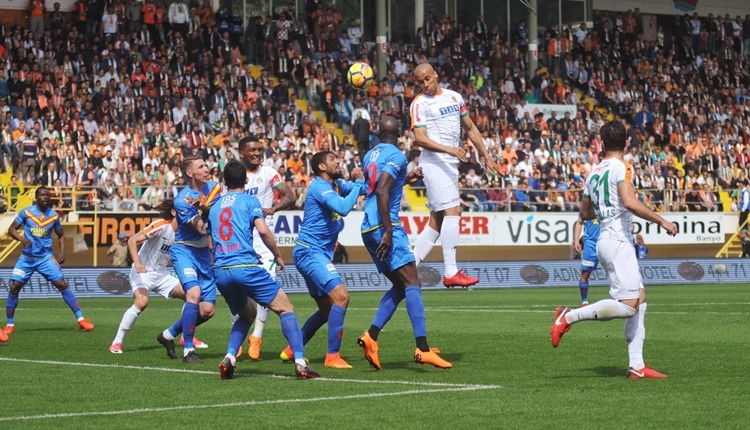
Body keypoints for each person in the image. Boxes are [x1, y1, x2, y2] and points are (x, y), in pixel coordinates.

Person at [550, 120, 677, 379]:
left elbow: (584, 213)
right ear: (627, 142)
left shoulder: (593, 173)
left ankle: (637, 366)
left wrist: (605, 205)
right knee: (630, 305)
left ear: (601, 142)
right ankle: (568, 316)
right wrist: (662, 220)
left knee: (639, 299)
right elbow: (629, 202)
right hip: (618, 241)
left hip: (604, 241)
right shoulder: (623, 167)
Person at [209, 160, 319, 379]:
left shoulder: (215, 206)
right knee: (286, 308)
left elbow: (214, 241)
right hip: (246, 268)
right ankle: (300, 362)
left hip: (221, 270)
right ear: (246, 180)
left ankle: (230, 357)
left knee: (246, 315)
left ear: (223, 182)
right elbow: (263, 230)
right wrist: (277, 255)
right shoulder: (251, 201)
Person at [357, 115, 451, 370]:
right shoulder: (397, 155)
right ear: (399, 135)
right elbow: (383, 191)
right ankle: (422, 349)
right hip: (384, 226)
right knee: (413, 282)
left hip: (367, 226)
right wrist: (388, 230)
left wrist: (405, 179)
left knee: (401, 287)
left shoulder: (369, 155)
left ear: (377, 132)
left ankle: (371, 336)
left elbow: (374, 187)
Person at [409, 62, 499, 288]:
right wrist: (450, 149)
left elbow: (470, 128)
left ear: (436, 75)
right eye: (419, 82)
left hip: (449, 165)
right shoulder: (419, 104)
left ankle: (408, 268)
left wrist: (486, 157)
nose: (424, 84)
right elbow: (419, 138)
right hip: (434, 162)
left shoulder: (454, 97)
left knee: (437, 221)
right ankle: (450, 271)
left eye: (427, 79)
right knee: (454, 211)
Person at [280, 151, 364, 369]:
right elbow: (344, 208)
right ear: (322, 167)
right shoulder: (319, 186)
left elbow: (366, 190)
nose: (339, 160)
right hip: (311, 252)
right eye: (333, 159)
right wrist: (358, 183)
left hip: (312, 252)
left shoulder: (336, 184)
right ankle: (332, 356)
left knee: (327, 310)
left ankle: (291, 350)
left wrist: (400, 181)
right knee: (342, 298)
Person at [109, 199, 206, 354]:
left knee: (192, 296)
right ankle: (117, 342)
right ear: (174, 212)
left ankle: (186, 336)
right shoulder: (161, 225)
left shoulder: (184, 233)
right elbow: (133, 241)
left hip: (162, 274)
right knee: (142, 302)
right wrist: (138, 263)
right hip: (143, 272)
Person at [233, 135, 296, 361]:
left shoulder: (269, 173)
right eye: (253, 150)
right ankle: (237, 337)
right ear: (242, 153)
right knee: (237, 288)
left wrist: (273, 209)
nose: (258, 153)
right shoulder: (234, 176)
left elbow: (291, 195)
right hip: (240, 237)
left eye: (260, 150)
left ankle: (256, 336)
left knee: (266, 288)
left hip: (264, 237)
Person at [4, 187, 95, 340]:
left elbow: (61, 235)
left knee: (62, 284)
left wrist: (63, 251)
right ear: (36, 197)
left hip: (46, 258)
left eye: (47, 195)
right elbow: (12, 229)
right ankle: (10, 325)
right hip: (27, 258)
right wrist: (22, 239)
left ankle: (81, 320)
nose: (45, 197)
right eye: (42, 195)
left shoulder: (53, 216)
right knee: (14, 287)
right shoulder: (26, 212)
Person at [156, 155, 221, 364]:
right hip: (184, 251)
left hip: (204, 255)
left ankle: (167, 335)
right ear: (190, 173)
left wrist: (206, 208)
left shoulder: (215, 189)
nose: (206, 168)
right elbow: (202, 229)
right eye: (200, 166)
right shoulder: (182, 199)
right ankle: (189, 350)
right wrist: (207, 210)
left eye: (206, 165)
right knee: (193, 294)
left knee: (207, 311)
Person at [572, 217, 600, 306]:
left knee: (615, 271)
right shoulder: (587, 206)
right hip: (591, 243)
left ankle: (619, 299)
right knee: (585, 273)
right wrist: (576, 240)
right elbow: (579, 222)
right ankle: (584, 302)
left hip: (608, 241)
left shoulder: (609, 204)